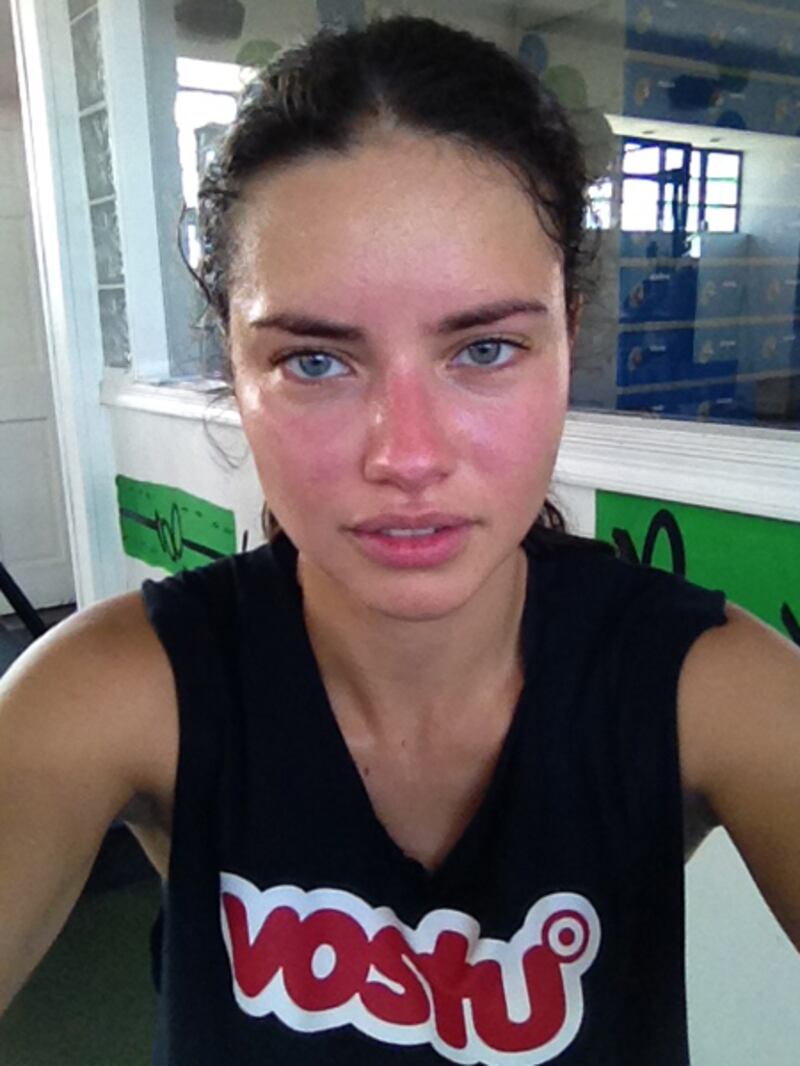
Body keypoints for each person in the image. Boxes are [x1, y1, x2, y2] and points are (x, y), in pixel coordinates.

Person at [1, 13, 798, 1065]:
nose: (407, 455)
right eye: (316, 362)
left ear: (567, 339)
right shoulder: (113, 692)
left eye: (485, 348)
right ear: (233, 368)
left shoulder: (709, 687)